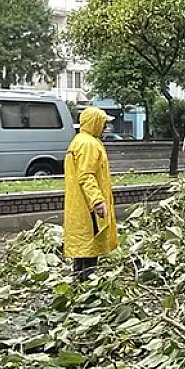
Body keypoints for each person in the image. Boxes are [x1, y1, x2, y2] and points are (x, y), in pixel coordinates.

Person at [64, 107, 117, 281]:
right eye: (103, 123)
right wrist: (97, 201)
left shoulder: (79, 141)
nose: (104, 127)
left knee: (81, 246)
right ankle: (87, 284)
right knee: (90, 246)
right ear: (95, 122)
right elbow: (86, 175)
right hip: (89, 207)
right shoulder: (89, 145)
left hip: (79, 204)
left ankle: (78, 282)